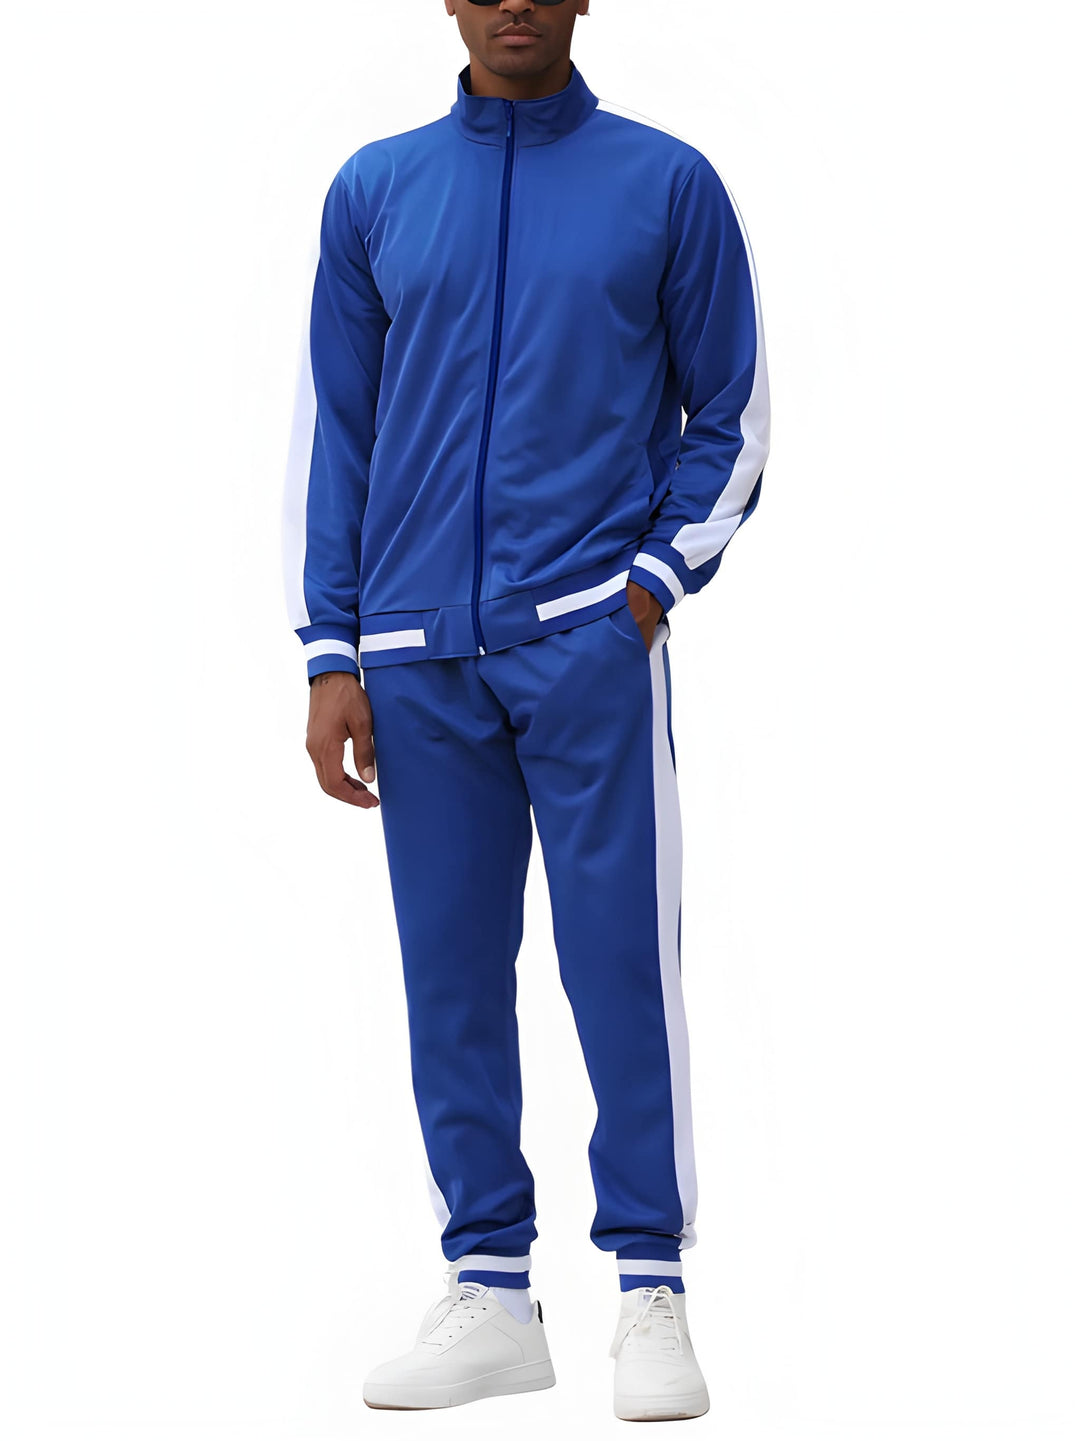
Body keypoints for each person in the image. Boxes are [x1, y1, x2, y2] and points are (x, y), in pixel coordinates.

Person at [281, 0, 768, 1421]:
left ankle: (651, 1286)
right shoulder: (375, 190)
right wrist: (330, 649)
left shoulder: (665, 183)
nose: (513, 3)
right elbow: (338, 430)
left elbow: (733, 415)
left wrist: (649, 587)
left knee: (618, 962)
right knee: (449, 977)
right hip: (416, 653)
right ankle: (490, 1290)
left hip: (586, 642)